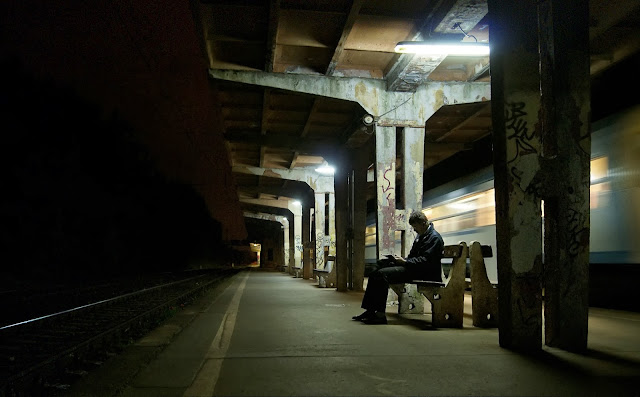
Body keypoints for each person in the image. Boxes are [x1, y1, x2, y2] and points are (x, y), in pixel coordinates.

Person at [352, 210, 444, 324]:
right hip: (416, 269)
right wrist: (400, 260)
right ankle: (370, 310)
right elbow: (413, 257)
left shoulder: (434, 238)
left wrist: (405, 262)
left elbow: (426, 261)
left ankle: (380, 315)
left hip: (425, 273)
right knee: (376, 269)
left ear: (423, 223)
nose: (414, 230)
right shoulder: (422, 236)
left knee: (382, 275)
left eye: (415, 227)